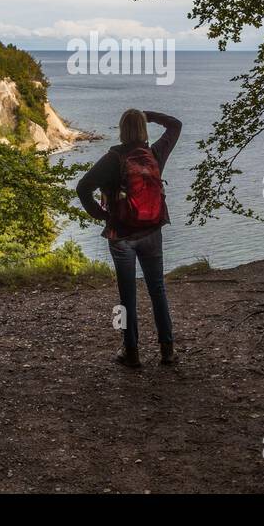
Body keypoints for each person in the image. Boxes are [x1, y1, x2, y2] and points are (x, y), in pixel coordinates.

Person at [76, 109, 182, 369]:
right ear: (144, 130)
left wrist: (102, 215)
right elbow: (175, 125)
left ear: (122, 130)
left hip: (121, 235)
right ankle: (167, 350)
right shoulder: (155, 154)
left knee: (127, 295)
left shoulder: (113, 158)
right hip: (151, 232)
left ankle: (131, 352)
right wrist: (150, 115)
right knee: (157, 289)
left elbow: (83, 187)